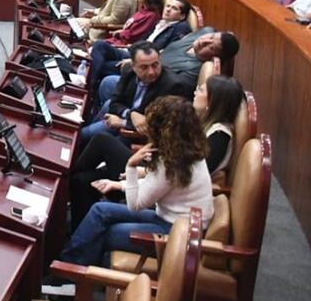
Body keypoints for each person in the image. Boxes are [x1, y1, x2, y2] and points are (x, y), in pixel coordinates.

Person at [62, 96, 214, 269]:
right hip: (173, 220)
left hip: (176, 233)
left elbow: (135, 204)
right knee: (100, 210)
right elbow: (155, 185)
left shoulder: (171, 163)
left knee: (105, 233)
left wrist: (131, 166)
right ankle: (70, 263)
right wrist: (119, 185)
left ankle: (70, 273)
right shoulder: (190, 152)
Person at [86, 0, 189, 103]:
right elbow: (143, 40)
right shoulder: (159, 22)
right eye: (168, 6)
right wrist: (130, 49)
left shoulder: (181, 28)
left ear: (182, 16)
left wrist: (134, 60)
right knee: (100, 45)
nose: (168, 10)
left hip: (144, 61)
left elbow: (168, 53)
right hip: (132, 52)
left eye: (174, 8)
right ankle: (89, 88)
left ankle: (88, 90)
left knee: (101, 65)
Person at [192, 75, 245, 179]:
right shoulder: (203, 122)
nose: (195, 93)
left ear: (212, 101)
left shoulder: (220, 135)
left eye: (201, 90)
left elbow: (200, 172)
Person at [158, 27, 240, 90]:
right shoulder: (207, 31)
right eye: (211, 37)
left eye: (211, 47)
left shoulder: (194, 72)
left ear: (214, 58)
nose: (204, 41)